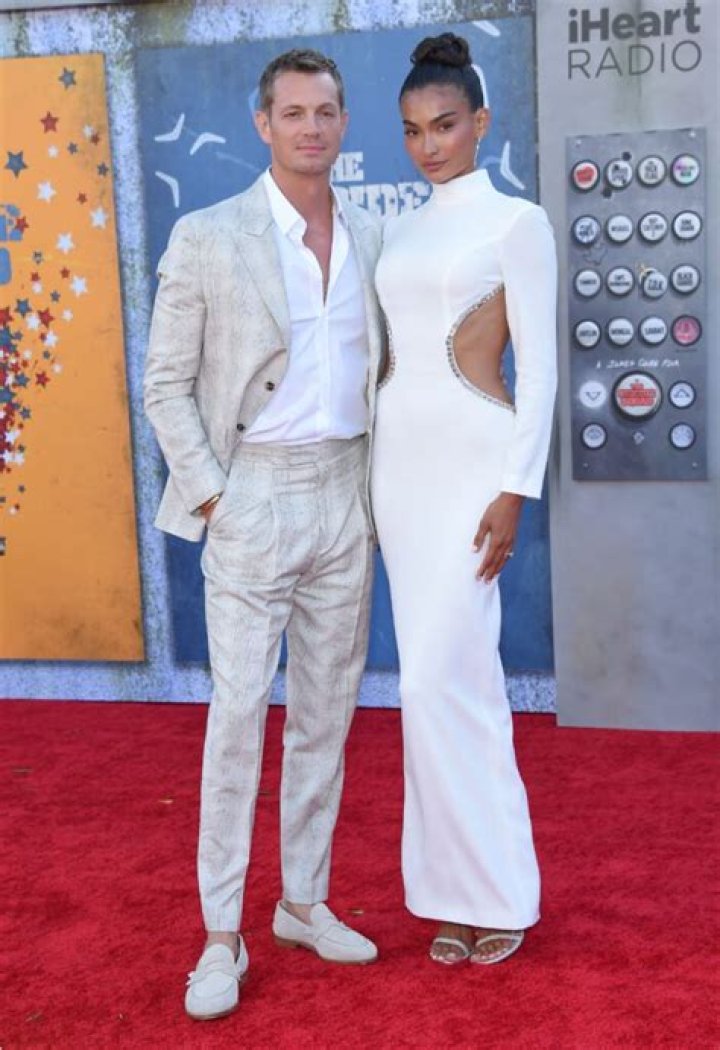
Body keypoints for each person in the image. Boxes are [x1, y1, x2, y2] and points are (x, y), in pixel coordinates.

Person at [144, 49, 384, 1020]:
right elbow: (164, 385)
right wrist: (216, 500)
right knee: (238, 717)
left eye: (326, 111)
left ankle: (302, 903)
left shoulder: (371, 234)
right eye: (293, 112)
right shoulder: (209, 235)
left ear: (343, 122)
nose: (311, 128)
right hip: (252, 499)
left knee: (326, 714)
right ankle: (219, 936)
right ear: (262, 123)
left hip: (345, 494)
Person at [371, 33, 557, 966]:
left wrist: (516, 489)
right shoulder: (399, 231)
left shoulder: (517, 223)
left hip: (476, 471)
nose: (429, 146)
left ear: (480, 122)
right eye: (412, 131)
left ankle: (501, 894)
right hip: (397, 475)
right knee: (426, 685)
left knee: (454, 679)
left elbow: (542, 369)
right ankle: (450, 893)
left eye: (444, 126)